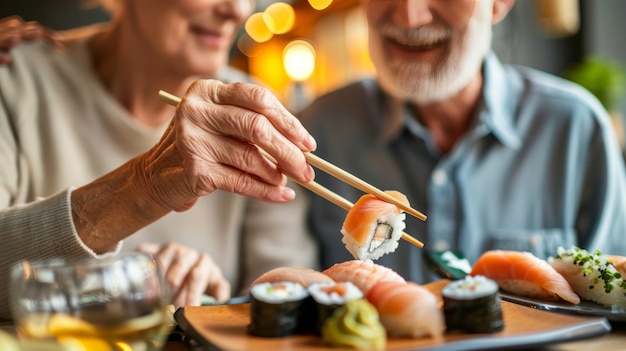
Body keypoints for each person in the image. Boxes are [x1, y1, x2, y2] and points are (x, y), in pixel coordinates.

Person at [0, 1, 319, 319]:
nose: (238, 10)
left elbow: (291, 292)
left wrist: (223, 304)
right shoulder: (13, 78)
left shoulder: (253, 116)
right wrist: (143, 188)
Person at [301, 0, 626, 283]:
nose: (410, 16)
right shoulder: (317, 130)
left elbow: (608, 308)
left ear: (499, 2)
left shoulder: (575, 128)